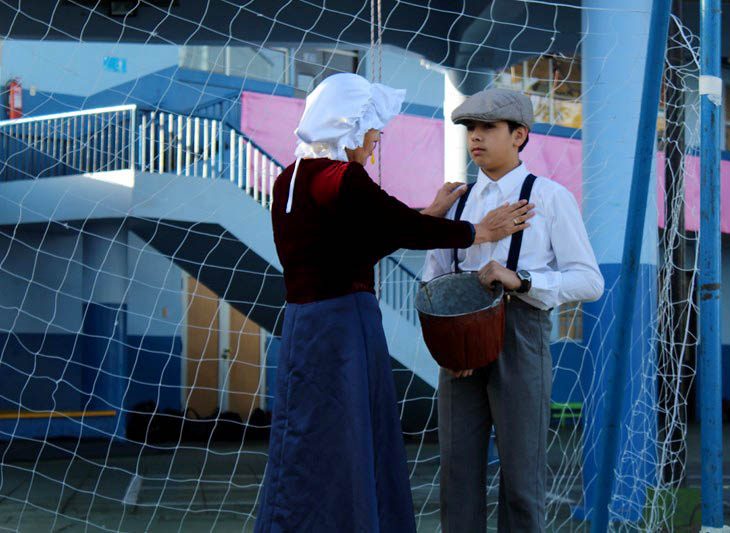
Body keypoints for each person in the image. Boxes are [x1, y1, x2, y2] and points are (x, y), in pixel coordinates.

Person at [254, 74, 534, 533]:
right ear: (351, 124)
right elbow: (395, 225)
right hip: (345, 325)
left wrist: (427, 216)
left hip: (302, 326)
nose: (376, 140)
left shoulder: (289, 179)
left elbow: (353, 243)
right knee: (351, 436)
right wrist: (478, 231)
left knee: (305, 435)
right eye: (373, 129)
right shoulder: (343, 178)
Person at [422, 88, 604, 533]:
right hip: (460, 347)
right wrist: (450, 348)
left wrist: (521, 279)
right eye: (471, 129)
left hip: (521, 335)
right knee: (457, 474)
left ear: (519, 135)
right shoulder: (457, 202)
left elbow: (590, 281)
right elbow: (432, 280)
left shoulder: (551, 197)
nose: (476, 138)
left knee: (522, 478)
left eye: (488, 128)